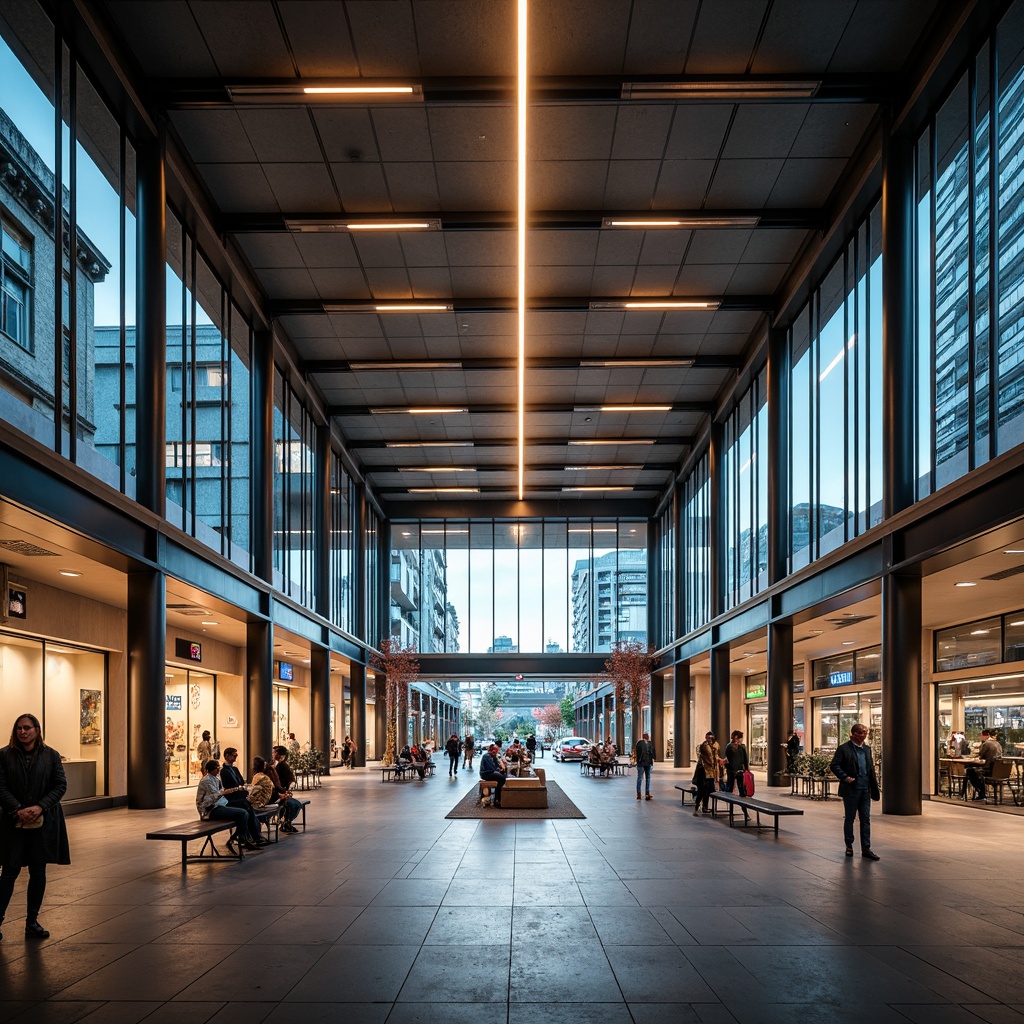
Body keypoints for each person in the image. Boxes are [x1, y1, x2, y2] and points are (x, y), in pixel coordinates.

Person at [0, 714, 71, 942]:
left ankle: (32, 922)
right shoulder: (4, 755)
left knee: (37, 872)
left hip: (42, 824)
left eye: (27, 728)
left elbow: (60, 784)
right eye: (19, 728)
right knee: (8, 872)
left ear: (37, 730)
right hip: (13, 823)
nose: (23, 732)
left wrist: (40, 807)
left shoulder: (50, 756)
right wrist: (18, 809)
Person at [830, 723, 881, 859]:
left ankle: (866, 848)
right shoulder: (844, 749)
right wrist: (845, 777)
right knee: (850, 818)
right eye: (862, 732)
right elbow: (834, 765)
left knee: (865, 818)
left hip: (865, 789)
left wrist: (873, 787)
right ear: (853, 734)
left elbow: (870, 769)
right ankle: (849, 846)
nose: (864, 735)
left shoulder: (867, 749)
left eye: (865, 732)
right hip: (851, 789)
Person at [196, 760, 260, 853]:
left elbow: (221, 792)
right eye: (217, 768)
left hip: (221, 803)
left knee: (245, 805)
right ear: (212, 769)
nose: (218, 770)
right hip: (211, 809)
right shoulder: (207, 781)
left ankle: (243, 836)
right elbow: (213, 796)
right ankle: (240, 837)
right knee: (243, 813)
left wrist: (233, 790)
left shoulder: (216, 778)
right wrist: (224, 792)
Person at [270, 747, 303, 831]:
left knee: (294, 804)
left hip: (280, 792)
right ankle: (285, 822)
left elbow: (289, 779)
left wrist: (286, 790)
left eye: (274, 752)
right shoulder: (272, 765)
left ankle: (286, 822)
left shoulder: (282, 765)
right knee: (292, 804)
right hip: (275, 793)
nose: (272, 754)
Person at [967, 729, 1003, 800]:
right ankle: (981, 792)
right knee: (974, 770)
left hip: (988, 770)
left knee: (970, 771)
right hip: (997, 771)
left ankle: (981, 792)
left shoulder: (986, 744)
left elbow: (981, 755)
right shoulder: (998, 744)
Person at [723, 730, 751, 821]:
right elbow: (729, 759)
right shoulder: (730, 747)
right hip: (733, 772)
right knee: (731, 790)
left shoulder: (741, 747)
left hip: (739, 772)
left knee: (742, 791)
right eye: (740, 738)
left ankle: (745, 812)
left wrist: (746, 771)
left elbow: (745, 760)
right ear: (736, 738)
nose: (741, 740)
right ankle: (733, 812)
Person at [693, 731, 722, 816]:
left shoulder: (715, 745)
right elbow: (708, 759)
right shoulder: (704, 746)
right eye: (708, 738)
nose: (710, 740)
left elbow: (716, 756)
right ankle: (696, 807)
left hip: (711, 772)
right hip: (703, 771)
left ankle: (705, 807)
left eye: (711, 738)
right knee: (701, 790)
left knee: (708, 791)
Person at [634, 731, 654, 800]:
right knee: (644, 778)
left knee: (642, 778)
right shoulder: (644, 743)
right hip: (645, 762)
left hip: (644, 763)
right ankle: (644, 793)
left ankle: (641, 793)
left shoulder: (641, 743)